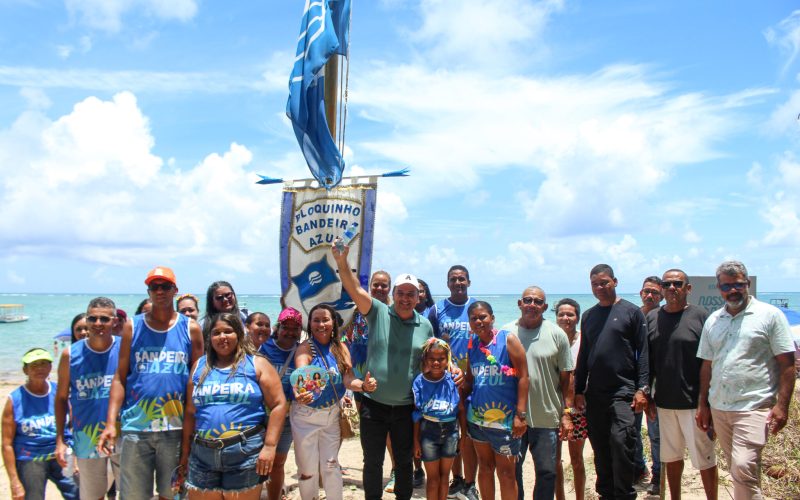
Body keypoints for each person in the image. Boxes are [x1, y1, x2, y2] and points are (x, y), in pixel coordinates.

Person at [332, 241, 439, 500]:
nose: (405, 298)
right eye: (401, 293)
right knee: (373, 463)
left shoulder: (425, 325)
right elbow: (353, 287)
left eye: (411, 294)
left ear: (418, 297)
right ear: (394, 293)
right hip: (373, 405)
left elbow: (431, 362)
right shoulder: (377, 311)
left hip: (406, 408)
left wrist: (451, 371)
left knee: (403, 464)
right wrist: (342, 262)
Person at [97, 266, 204, 500]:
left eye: (165, 286)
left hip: (175, 428)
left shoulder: (191, 329)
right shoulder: (132, 327)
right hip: (137, 427)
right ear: (148, 291)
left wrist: (195, 423)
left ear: (175, 290)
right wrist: (110, 423)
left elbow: (198, 381)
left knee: (173, 494)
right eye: (154, 286)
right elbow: (120, 377)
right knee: (134, 496)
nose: (160, 291)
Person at [696, 261, 796, 499]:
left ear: (747, 284)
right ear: (719, 288)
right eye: (726, 285)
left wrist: (782, 406)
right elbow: (707, 366)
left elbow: (787, 364)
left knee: (742, 466)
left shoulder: (770, 315)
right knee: (740, 471)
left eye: (738, 284)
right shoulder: (713, 320)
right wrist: (703, 404)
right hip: (720, 407)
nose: (733, 290)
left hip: (754, 407)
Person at [177, 312, 288, 498]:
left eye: (228, 331)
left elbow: (279, 404)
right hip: (202, 454)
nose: (222, 337)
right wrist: (185, 453)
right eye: (216, 333)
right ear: (209, 337)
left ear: (239, 334)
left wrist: (270, 446)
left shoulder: (257, 364)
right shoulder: (199, 366)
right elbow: (190, 411)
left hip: (245, 454)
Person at [574, 264, 649, 500]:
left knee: (622, 442)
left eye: (604, 282)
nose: (600, 287)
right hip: (595, 393)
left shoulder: (631, 312)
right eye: (595, 284)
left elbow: (644, 353)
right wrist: (578, 390)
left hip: (623, 391)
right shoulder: (588, 316)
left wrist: (642, 388)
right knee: (600, 447)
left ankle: (625, 494)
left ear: (615, 282)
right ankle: (606, 494)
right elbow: (584, 354)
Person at [291, 304, 377, 500]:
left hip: (331, 414)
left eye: (325, 320)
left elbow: (348, 379)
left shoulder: (341, 348)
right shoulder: (305, 349)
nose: (321, 324)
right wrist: (300, 391)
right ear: (309, 324)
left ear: (334, 323)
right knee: (307, 470)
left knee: (331, 466)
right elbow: (301, 376)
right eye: (316, 320)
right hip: (305, 417)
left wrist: (363, 386)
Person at [646, 269, 717, 500]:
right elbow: (648, 362)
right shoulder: (653, 317)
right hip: (664, 403)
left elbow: (710, 362)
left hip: (695, 405)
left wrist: (705, 404)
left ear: (688, 288)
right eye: (667, 284)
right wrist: (647, 397)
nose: (672, 288)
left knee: (705, 460)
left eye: (678, 283)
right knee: (671, 458)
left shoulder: (701, 316)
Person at [505, 288, 573, 500]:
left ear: (544, 307)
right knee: (512, 472)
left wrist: (567, 413)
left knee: (547, 472)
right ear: (519, 303)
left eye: (538, 301)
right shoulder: (506, 333)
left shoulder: (557, 334)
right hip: (513, 417)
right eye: (528, 300)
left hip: (547, 417)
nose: (532, 304)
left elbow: (567, 378)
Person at [55, 297, 122, 500]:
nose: (98, 324)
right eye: (92, 319)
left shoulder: (125, 348)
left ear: (115, 322)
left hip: (123, 434)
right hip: (86, 436)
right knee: (93, 496)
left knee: (131, 494)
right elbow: (60, 398)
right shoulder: (70, 355)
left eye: (104, 319)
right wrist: (60, 439)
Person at [464, 301, 529, 500]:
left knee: (507, 473)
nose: (478, 321)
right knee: (484, 468)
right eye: (473, 318)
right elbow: (469, 380)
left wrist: (521, 415)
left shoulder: (507, 339)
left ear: (492, 318)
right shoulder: (472, 345)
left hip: (506, 421)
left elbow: (524, 377)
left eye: (482, 316)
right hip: (477, 420)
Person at [428, 265, 478, 500]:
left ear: (469, 282)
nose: (458, 283)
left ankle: (471, 483)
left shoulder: (477, 308)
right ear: (447, 283)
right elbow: (429, 342)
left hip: (475, 382)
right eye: (453, 279)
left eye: (462, 279)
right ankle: (456, 479)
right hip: (446, 383)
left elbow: (489, 337)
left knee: (469, 434)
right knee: (452, 433)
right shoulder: (437, 310)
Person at [2, 348, 78, 500]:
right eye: (34, 365)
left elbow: (74, 424)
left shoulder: (60, 392)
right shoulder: (14, 400)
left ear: (51, 367)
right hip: (31, 458)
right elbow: (6, 444)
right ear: (25, 370)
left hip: (61, 454)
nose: (39, 368)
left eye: (44, 363)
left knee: (79, 494)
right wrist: (14, 482)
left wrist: (76, 455)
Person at [259, 307, 303, 500]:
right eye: (286, 327)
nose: (290, 332)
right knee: (255, 461)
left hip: (285, 417)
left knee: (277, 463)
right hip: (259, 416)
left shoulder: (301, 351)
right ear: (278, 328)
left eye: (296, 328)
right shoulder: (264, 347)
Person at [413, 338, 460, 500]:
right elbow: (416, 414)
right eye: (432, 359)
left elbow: (460, 410)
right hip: (428, 432)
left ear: (447, 360)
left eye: (441, 359)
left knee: (445, 476)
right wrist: (416, 441)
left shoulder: (453, 380)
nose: (436, 362)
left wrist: (463, 435)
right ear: (425, 359)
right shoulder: (419, 382)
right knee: (432, 479)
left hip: (451, 432)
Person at [553, 298, 587, 500]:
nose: (566, 318)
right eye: (561, 314)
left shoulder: (585, 340)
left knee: (577, 460)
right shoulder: (551, 340)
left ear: (578, 318)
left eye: (570, 314)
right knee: (555, 461)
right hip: (554, 408)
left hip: (578, 409)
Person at [635, 276, 662, 490]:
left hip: (656, 385)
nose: (650, 295)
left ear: (661, 294)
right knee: (631, 431)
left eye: (654, 291)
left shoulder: (665, 316)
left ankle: (658, 476)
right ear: (641, 293)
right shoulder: (634, 315)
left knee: (655, 434)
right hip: (632, 384)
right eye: (646, 291)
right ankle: (638, 467)